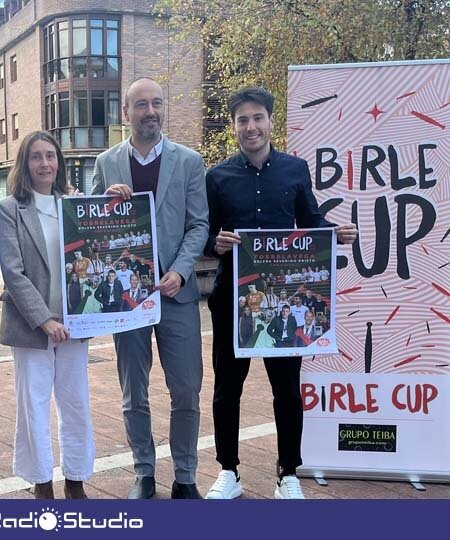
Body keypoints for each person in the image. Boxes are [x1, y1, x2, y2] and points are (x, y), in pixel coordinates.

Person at [204, 86, 357, 500]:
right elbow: (204, 235)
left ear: (271, 121)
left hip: (284, 301)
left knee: (287, 389)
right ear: (234, 126)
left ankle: (288, 472)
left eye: (257, 118)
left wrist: (334, 234)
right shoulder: (216, 177)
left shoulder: (295, 169)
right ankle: (228, 472)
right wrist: (214, 244)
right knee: (227, 389)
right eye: (242, 120)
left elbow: (308, 221)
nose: (250, 127)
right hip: (232, 301)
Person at [92, 77, 209, 499]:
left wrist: (180, 270)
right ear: (126, 113)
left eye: (157, 103)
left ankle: (186, 476)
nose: (150, 112)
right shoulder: (106, 163)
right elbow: (91, 228)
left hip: (177, 293)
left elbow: (199, 224)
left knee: (186, 389)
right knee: (133, 391)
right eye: (140, 105)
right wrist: (105, 202)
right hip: (129, 298)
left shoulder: (190, 161)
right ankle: (143, 471)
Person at [0, 131, 94, 500]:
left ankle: (76, 477)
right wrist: (44, 320)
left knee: (76, 402)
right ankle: (41, 481)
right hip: (31, 324)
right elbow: (13, 271)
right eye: (36, 157)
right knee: (34, 404)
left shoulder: (74, 204)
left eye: (51, 156)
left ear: (60, 162)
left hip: (74, 322)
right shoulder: (9, 210)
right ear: (25, 163)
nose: (45, 164)